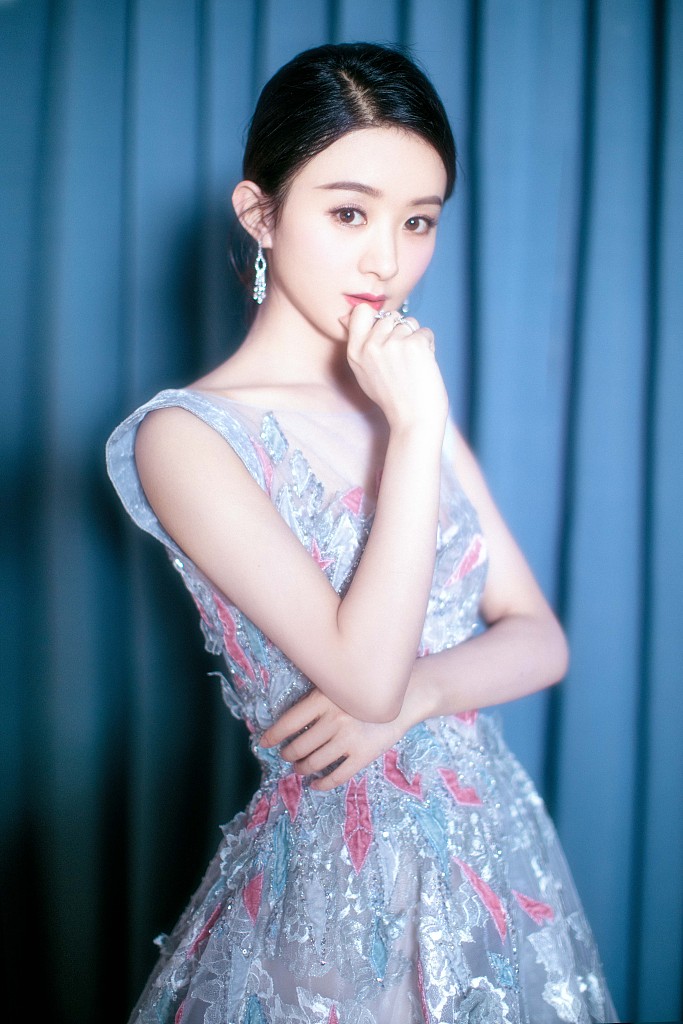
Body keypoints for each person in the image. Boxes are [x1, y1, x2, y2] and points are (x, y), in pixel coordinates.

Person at [107, 42, 618, 1024]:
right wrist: (416, 428)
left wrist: (424, 693)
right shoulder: (188, 436)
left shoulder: (404, 395)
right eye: (349, 213)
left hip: (496, 871)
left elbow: (538, 637)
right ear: (260, 213)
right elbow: (364, 678)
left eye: (417, 220)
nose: (387, 260)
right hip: (339, 896)